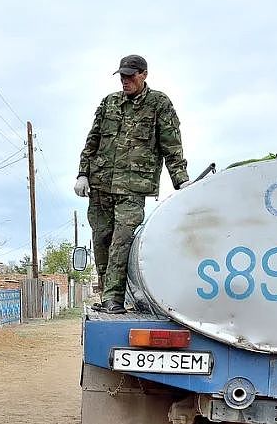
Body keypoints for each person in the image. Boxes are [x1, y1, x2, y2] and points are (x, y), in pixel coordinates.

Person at [75, 54, 193, 314]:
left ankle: (114, 300)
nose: (125, 81)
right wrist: (82, 173)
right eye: (122, 76)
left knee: (122, 241)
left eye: (130, 76)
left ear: (144, 74)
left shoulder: (158, 104)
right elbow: (92, 141)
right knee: (102, 240)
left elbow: (172, 146)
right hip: (101, 184)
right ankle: (108, 296)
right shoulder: (109, 103)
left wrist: (181, 182)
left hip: (133, 187)